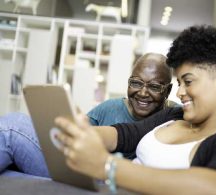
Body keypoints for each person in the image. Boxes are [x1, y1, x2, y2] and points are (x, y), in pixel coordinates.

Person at [55, 25, 216, 195]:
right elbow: (124, 134)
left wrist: (107, 167)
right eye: (179, 83)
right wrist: (80, 132)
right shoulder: (174, 116)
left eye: (188, 81)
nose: (180, 92)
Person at [0, 52, 175, 177]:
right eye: (136, 83)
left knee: (11, 128)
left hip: (97, 177)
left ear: (168, 91)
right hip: (78, 167)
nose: (143, 93)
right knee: (16, 125)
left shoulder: (174, 118)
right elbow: (72, 140)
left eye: (154, 87)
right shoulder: (108, 108)